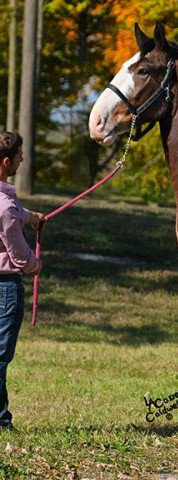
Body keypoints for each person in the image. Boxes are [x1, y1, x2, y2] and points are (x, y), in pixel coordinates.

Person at [0, 131, 45, 430]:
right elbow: (19, 256)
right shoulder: (6, 207)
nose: (23, 159)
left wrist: (31, 216)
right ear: (6, 161)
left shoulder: (7, 204)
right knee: (1, 357)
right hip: (5, 289)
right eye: (19, 156)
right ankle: (1, 420)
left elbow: (13, 213)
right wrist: (35, 265)